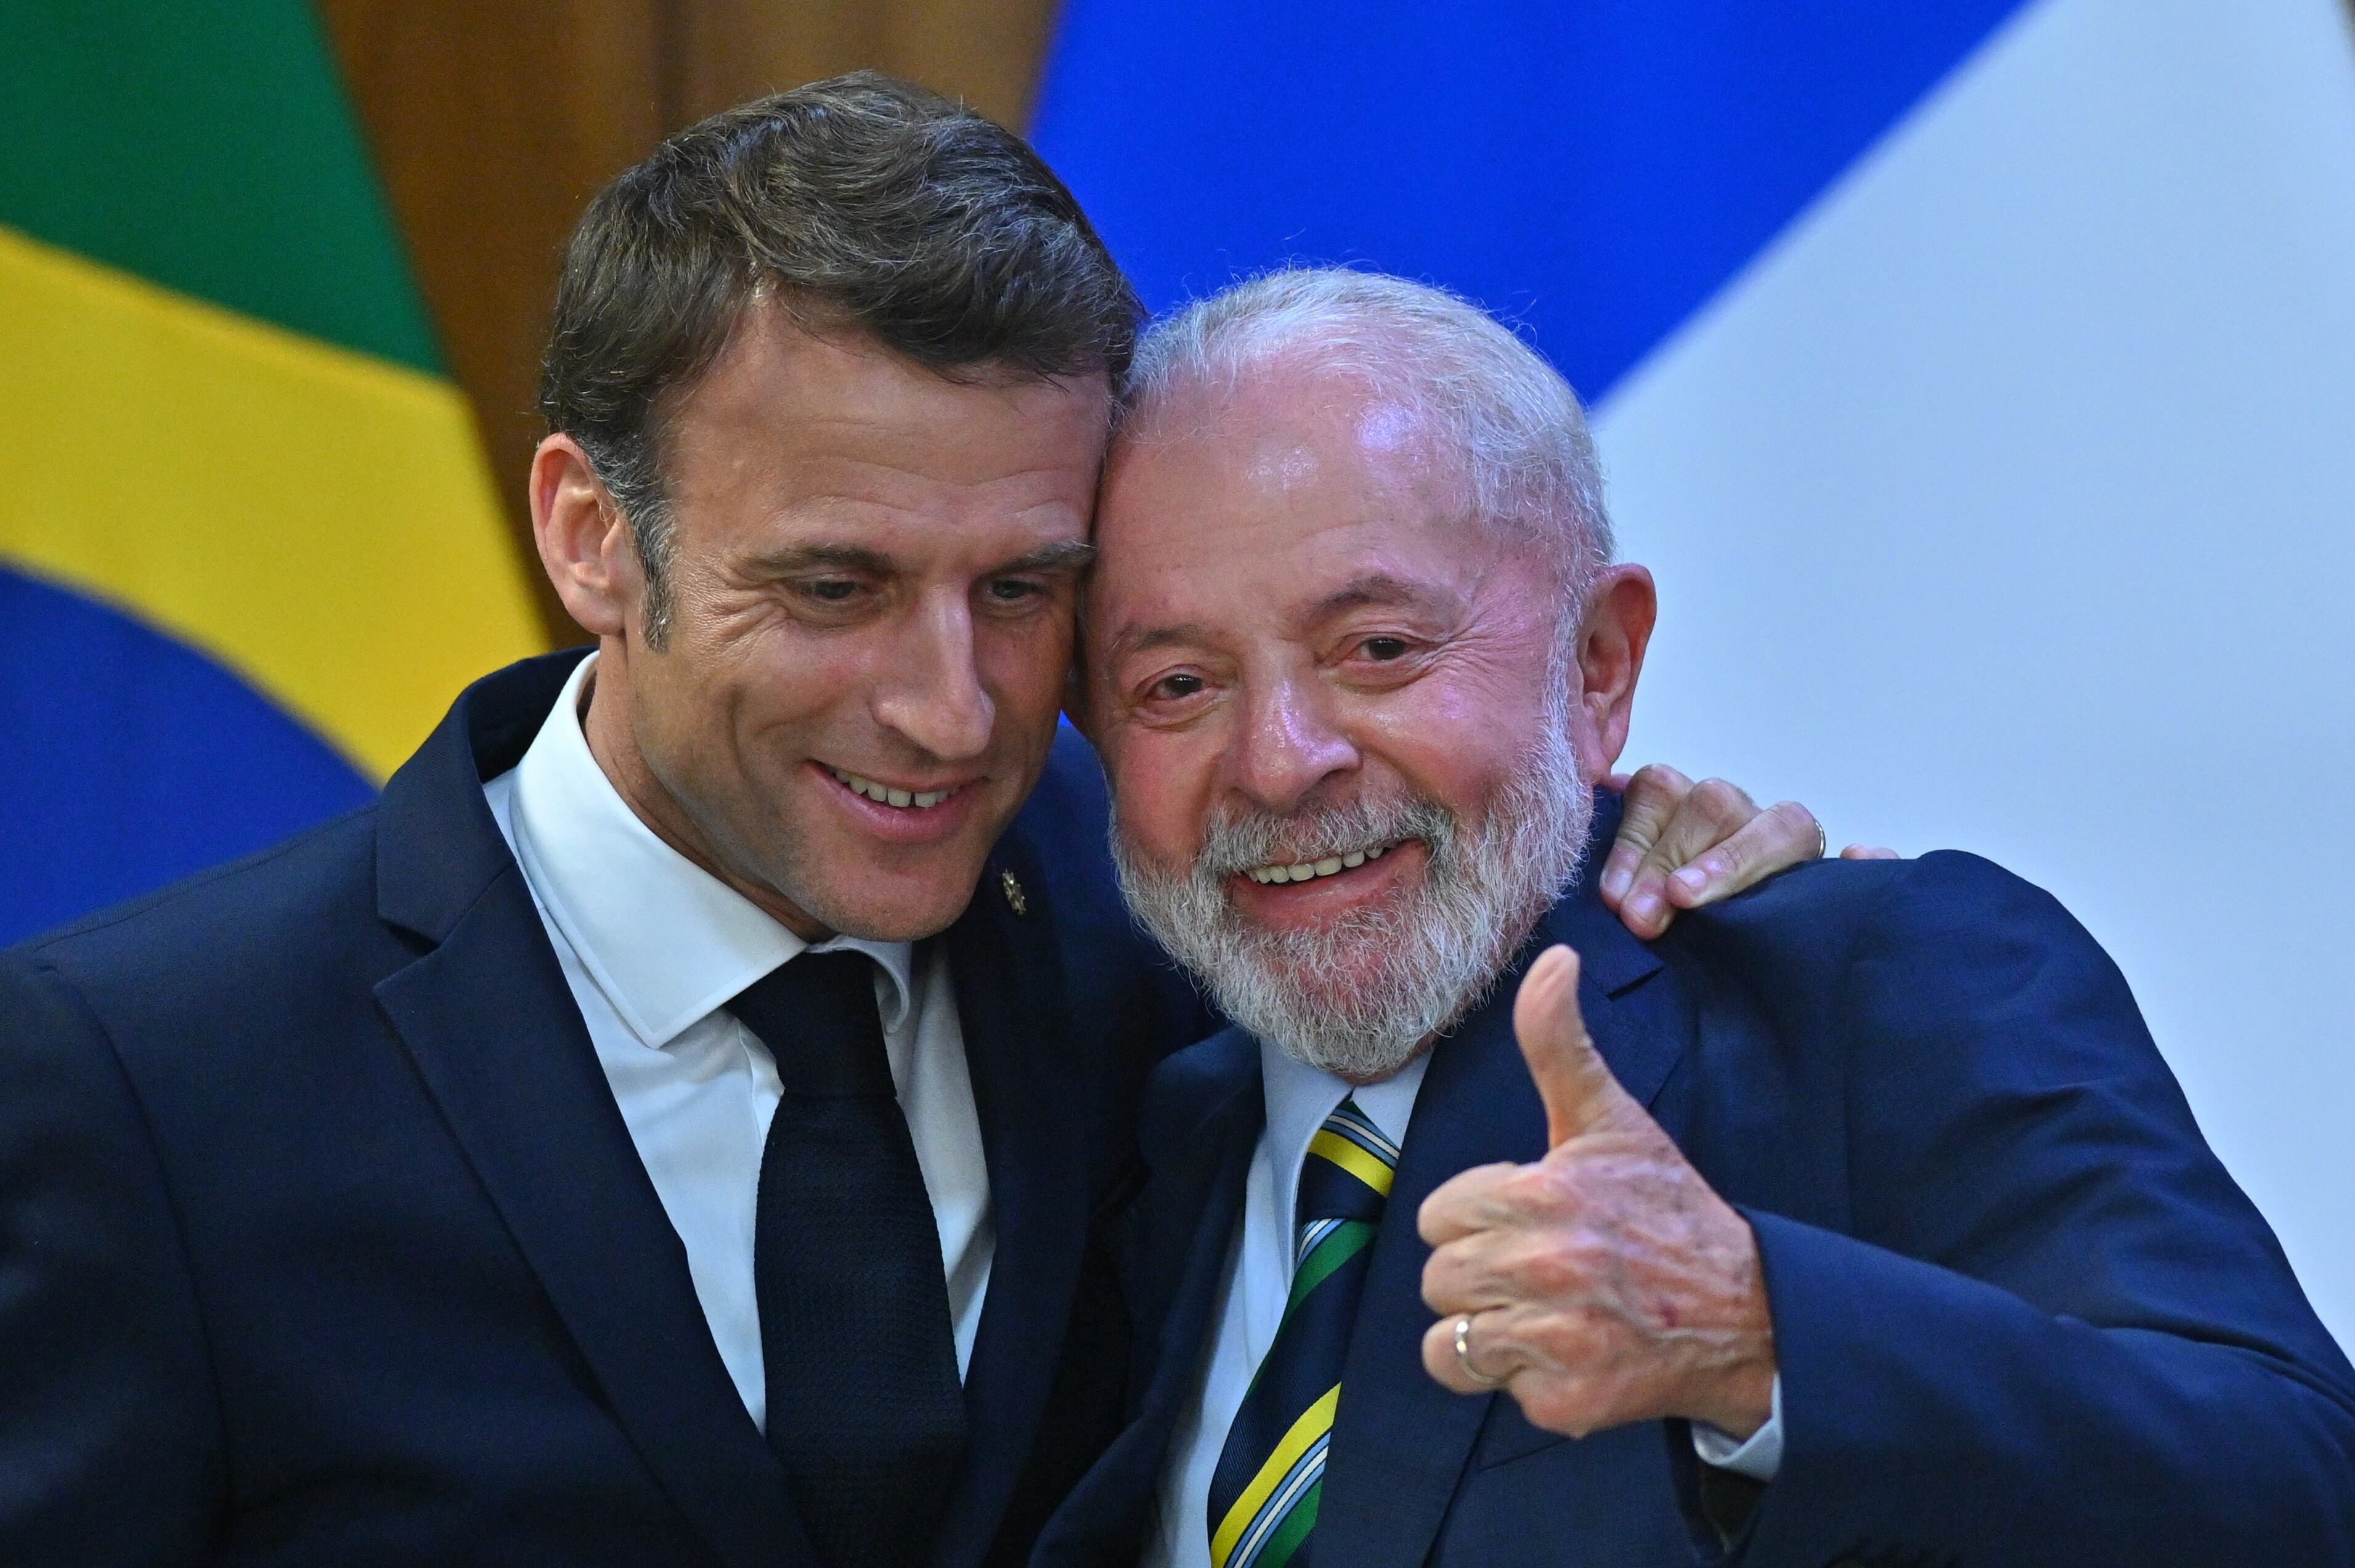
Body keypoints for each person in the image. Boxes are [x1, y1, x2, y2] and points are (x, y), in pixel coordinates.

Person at [0, 82, 1825, 1568]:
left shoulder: (1175, 941)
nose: (952, 711)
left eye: (1024, 589)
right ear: (589, 537)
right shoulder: (142, 1080)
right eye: (832, 586)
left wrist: (1631, 853)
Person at [1036, 268, 2355, 1568]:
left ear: (1597, 664)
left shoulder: (1881, 988)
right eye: (1179, 683)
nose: (1278, 760)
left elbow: (2298, 1489)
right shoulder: (1123, 1123)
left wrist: (1760, 1338)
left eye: (1378, 648)